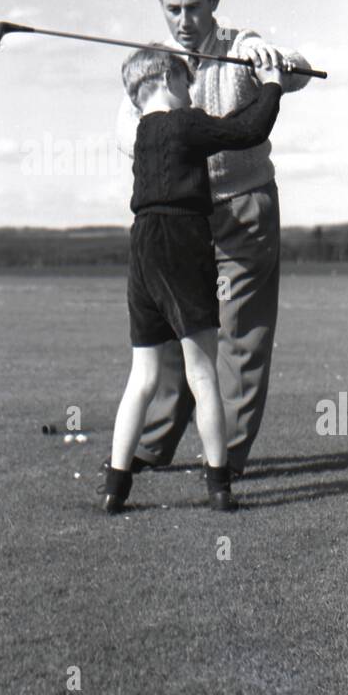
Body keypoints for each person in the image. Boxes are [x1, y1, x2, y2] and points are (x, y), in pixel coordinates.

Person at [114, 0, 311, 478]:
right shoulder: (158, 64)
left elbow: (295, 72)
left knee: (239, 337)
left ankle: (225, 462)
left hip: (244, 209)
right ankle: (152, 448)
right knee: (179, 338)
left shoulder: (241, 47)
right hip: (185, 222)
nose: (184, 21)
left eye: (194, 7)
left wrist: (277, 63)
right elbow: (124, 132)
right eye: (172, 9)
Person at [102, 44, 286, 515]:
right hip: (184, 241)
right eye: (187, 81)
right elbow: (246, 130)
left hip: (142, 246)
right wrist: (271, 85)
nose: (192, 90)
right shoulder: (186, 123)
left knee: (141, 377)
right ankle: (219, 487)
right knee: (201, 371)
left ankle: (115, 488)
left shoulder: (142, 134)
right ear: (166, 81)